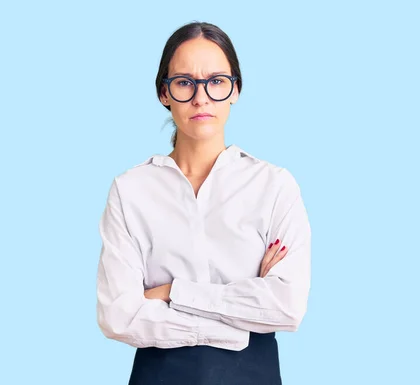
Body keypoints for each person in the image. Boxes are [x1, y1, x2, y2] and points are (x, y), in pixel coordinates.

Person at [95, 21, 311, 385]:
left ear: (235, 90)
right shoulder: (131, 190)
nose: (201, 97)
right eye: (184, 82)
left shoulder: (273, 186)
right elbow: (117, 315)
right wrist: (242, 310)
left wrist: (170, 293)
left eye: (215, 81)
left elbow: (286, 308)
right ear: (164, 93)